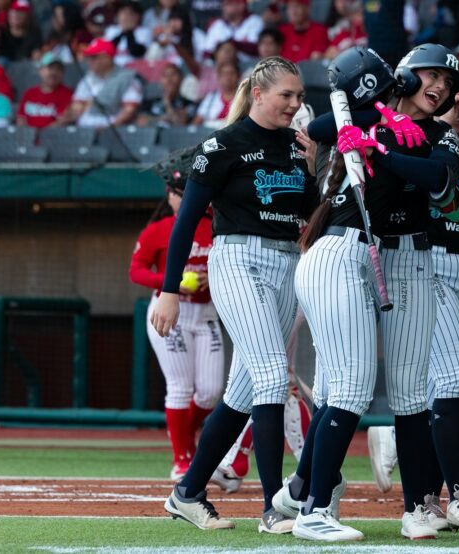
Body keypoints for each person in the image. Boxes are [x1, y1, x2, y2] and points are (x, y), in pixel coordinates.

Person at [272, 44, 459, 541]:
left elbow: (440, 180)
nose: (441, 85)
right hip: (344, 250)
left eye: (448, 80)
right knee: (349, 386)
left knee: (391, 388)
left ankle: (394, 505)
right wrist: (370, 119)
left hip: (393, 254)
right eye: (431, 75)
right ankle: (313, 502)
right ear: (402, 77)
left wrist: (382, 145)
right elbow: (317, 129)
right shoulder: (363, 114)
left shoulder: (440, 134)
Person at [153, 56, 319, 534]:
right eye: (286, 95)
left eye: (299, 97)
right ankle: (273, 508)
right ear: (260, 93)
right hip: (239, 260)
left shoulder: (295, 146)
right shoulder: (221, 145)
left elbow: (314, 214)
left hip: (287, 263)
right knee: (270, 375)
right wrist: (169, 291)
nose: (294, 104)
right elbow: (187, 221)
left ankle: (187, 492)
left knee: (243, 391)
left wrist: (313, 166)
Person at [130, 150, 222, 481]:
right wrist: (172, 284)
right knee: (180, 386)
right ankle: (182, 457)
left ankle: (186, 436)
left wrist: (217, 278)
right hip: (170, 312)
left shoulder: (215, 225)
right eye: (177, 194)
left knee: (211, 391)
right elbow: (136, 272)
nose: (182, 200)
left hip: (207, 311)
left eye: (187, 194)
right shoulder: (158, 230)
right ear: (168, 195)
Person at [66, 38, 142, 128]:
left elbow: (129, 111)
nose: (89, 61)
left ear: (107, 58)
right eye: (88, 57)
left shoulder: (127, 78)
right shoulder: (88, 78)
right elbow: (77, 107)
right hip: (84, 130)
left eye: (94, 57)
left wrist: (108, 128)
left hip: (112, 131)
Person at [17, 53, 74, 128]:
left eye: (58, 69)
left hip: (53, 138)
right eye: (50, 68)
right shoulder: (29, 93)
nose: (54, 72)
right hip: (28, 137)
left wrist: (41, 134)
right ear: (40, 71)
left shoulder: (68, 94)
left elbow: (62, 121)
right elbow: (21, 118)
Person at [104, 0, 152, 68]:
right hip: (113, 70)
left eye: (130, 13)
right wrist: (123, 32)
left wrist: (129, 32)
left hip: (135, 70)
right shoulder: (111, 30)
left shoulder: (144, 32)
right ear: (118, 15)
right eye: (124, 12)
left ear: (138, 16)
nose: (126, 16)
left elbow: (137, 52)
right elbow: (108, 51)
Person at [192, 61, 240, 128]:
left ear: (238, 77)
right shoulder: (211, 97)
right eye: (224, 74)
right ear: (219, 78)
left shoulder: (245, 97)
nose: (228, 77)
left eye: (231, 73)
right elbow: (196, 123)